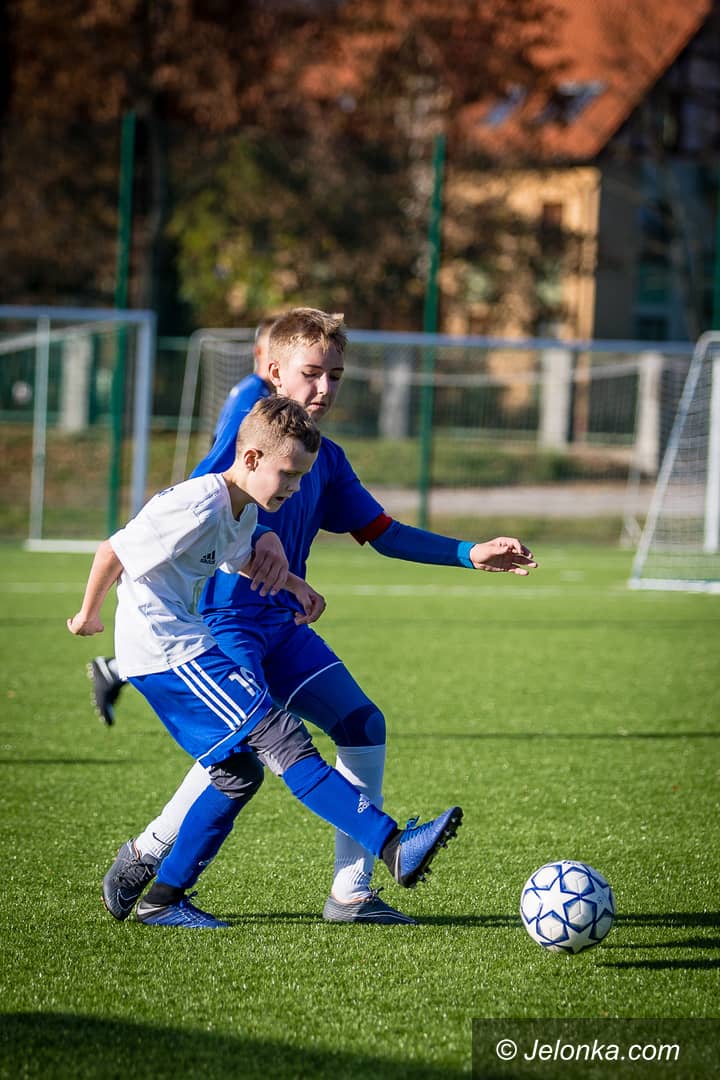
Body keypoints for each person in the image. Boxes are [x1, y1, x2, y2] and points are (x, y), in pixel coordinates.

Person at [98, 308, 536, 926]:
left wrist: (470, 552)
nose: (325, 388)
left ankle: (351, 894)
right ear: (274, 372)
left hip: (282, 627)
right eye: (312, 373)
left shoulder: (324, 458)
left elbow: (383, 532)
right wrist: (255, 538)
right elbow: (199, 501)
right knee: (241, 754)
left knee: (361, 723)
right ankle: (151, 862)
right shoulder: (248, 434)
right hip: (224, 626)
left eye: (336, 376)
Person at [68, 395, 463, 929]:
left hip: (185, 645)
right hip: (165, 650)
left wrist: (296, 585)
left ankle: (162, 898)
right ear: (251, 458)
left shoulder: (243, 510)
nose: (294, 488)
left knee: (238, 773)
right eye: (289, 475)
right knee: (280, 736)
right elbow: (111, 551)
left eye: (301, 478)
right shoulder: (196, 502)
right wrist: (87, 615)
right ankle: (393, 846)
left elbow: (241, 560)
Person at [87, 315, 280, 727]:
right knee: (200, 636)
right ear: (262, 355)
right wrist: (88, 614)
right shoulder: (253, 395)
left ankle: (116, 669)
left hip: (225, 524)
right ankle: (121, 668)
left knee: (194, 618)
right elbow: (216, 464)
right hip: (208, 523)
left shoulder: (259, 399)